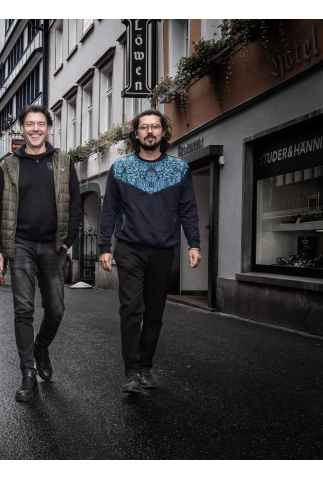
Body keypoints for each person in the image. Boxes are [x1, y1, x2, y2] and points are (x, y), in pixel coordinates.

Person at [98, 109, 201, 394]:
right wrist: (104, 246)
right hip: (129, 247)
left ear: (163, 132)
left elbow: (188, 209)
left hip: (164, 248)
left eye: (155, 126)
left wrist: (194, 243)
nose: (150, 131)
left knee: (155, 312)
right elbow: (109, 210)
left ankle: (145, 366)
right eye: (144, 127)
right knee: (131, 308)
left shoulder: (180, 169)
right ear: (136, 133)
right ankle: (131, 371)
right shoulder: (120, 168)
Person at [0, 105, 81, 402]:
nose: (36, 129)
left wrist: (67, 241)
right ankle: (27, 373)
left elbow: (76, 205)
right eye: (30, 124)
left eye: (41, 124)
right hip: (21, 245)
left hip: (53, 246)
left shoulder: (63, 162)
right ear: (22, 129)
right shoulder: (9, 165)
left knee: (56, 309)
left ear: (49, 128)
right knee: (23, 310)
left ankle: (41, 347)